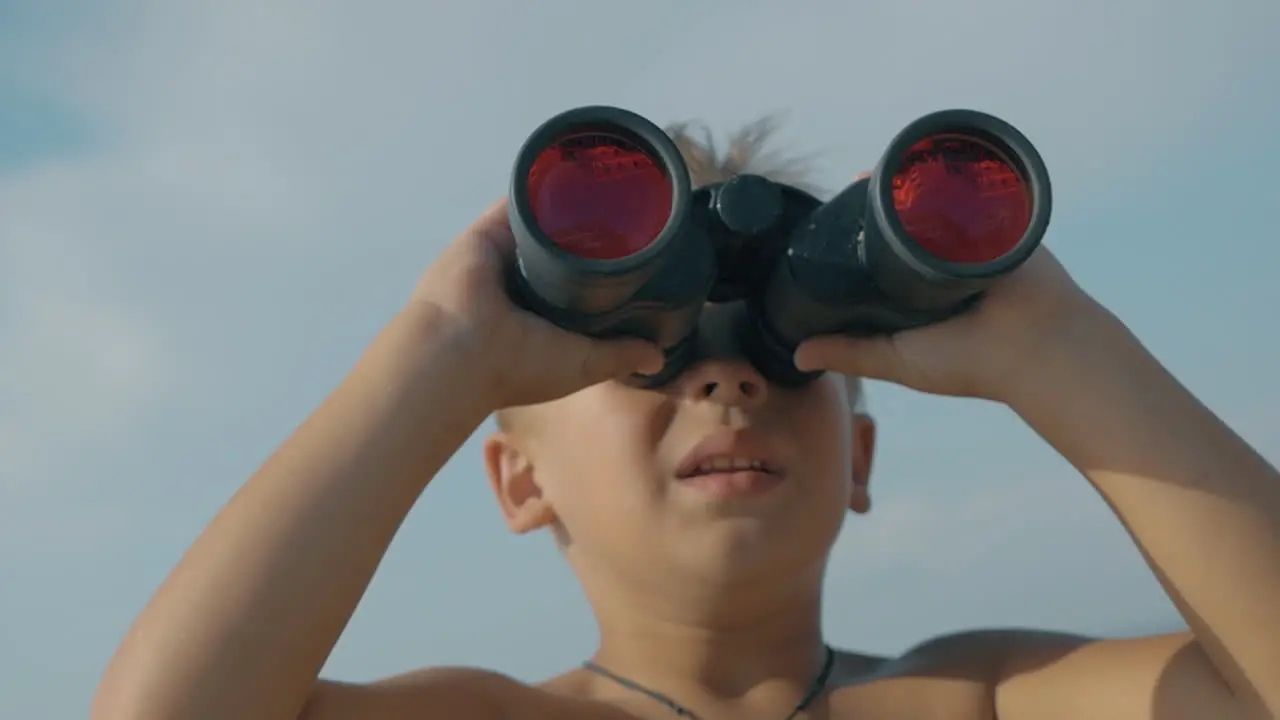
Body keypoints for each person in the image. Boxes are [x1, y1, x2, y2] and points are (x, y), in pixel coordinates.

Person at [92, 119, 1280, 720]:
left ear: (857, 457)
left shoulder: (977, 700)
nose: (726, 384)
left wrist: (1058, 348)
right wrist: (441, 355)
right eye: (651, 361)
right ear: (520, 483)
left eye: (779, 355)